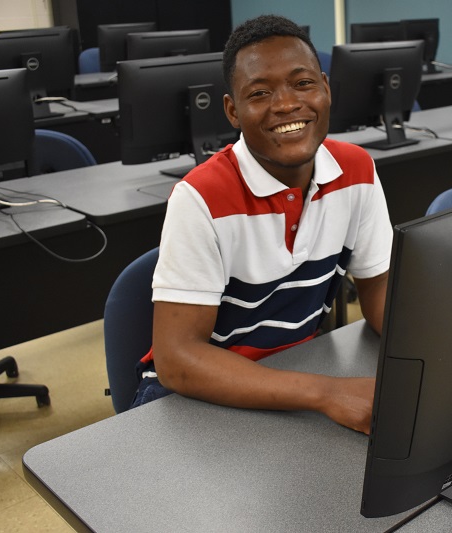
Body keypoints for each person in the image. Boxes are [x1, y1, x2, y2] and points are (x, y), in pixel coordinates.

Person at [131, 15, 393, 435]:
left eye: (302, 83)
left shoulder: (356, 170)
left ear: (326, 88)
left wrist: (436, 348)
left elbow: (378, 289)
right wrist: (326, 393)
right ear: (233, 111)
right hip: (196, 397)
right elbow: (177, 362)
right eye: (260, 93)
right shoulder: (200, 197)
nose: (287, 104)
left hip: (294, 371)